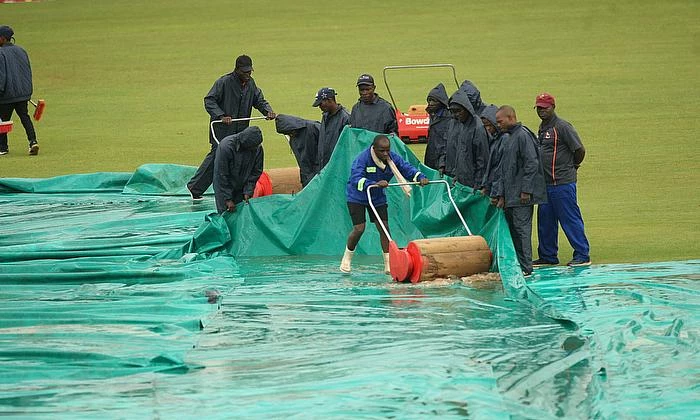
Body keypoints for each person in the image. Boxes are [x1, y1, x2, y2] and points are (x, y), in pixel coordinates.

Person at [187, 55, 275, 201]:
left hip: (240, 132)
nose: (247, 75)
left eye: (249, 72)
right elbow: (209, 100)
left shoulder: (251, 84)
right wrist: (221, 115)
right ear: (237, 69)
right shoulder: (224, 82)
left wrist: (268, 111)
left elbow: (259, 100)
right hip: (222, 130)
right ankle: (195, 188)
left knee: (234, 159)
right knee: (217, 156)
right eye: (244, 72)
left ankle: (232, 192)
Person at [340, 134, 429, 274]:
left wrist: (420, 177)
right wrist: (373, 183)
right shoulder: (362, 159)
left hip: (377, 197)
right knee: (359, 228)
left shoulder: (392, 158)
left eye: (388, 150)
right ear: (374, 148)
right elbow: (356, 179)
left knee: (384, 227)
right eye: (382, 151)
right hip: (357, 196)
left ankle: (388, 264)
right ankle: (347, 258)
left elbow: (406, 168)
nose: (386, 153)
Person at [533, 93, 591, 267]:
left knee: (570, 219)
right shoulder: (543, 127)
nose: (542, 111)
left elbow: (579, 150)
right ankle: (548, 256)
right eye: (539, 108)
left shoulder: (562, 126)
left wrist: (573, 166)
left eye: (545, 107)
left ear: (553, 107)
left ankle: (582, 255)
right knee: (546, 221)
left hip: (562, 182)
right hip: (546, 184)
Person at [490, 105, 546, 276]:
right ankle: (520, 265)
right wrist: (501, 195)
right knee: (514, 231)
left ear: (511, 118)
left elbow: (532, 163)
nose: (498, 125)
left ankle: (526, 267)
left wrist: (526, 190)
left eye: (500, 122)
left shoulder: (522, 135)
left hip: (521, 196)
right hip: (511, 195)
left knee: (522, 231)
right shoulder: (509, 137)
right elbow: (504, 169)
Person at [0, 25, 39, 156]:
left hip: (6, 95)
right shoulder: (21, 51)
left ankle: (3, 147)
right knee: (25, 117)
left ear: (3, 38)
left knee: (3, 120)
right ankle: (33, 141)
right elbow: (27, 72)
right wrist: (27, 92)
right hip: (23, 94)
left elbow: (1, 75)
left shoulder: (0, 53)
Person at [440, 89, 489, 187]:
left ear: (466, 108)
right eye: (453, 112)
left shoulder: (477, 128)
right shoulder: (462, 125)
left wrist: (479, 184)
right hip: (462, 180)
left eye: (458, 111)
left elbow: (482, 160)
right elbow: (460, 155)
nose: (456, 115)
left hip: (474, 183)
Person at [213, 126, 264, 214]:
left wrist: (248, 190)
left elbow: (256, 172)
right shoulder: (226, 147)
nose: (255, 148)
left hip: (242, 188)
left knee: (241, 216)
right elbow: (221, 175)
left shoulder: (257, 148)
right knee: (225, 216)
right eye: (253, 147)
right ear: (246, 144)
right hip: (224, 187)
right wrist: (227, 199)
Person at [275, 114, 320, 187]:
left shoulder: (313, 127)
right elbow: (302, 162)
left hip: (320, 170)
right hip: (307, 174)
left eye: (290, 132)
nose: (290, 135)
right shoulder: (293, 139)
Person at [314, 87, 350, 172]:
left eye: (321, 104)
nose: (320, 107)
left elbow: (347, 146)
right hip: (325, 165)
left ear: (330, 100)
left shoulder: (345, 118)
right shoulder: (325, 116)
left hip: (339, 166)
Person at [423, 83, 451, 170]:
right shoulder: (432, 115)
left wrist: (442, 163)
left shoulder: (449, 118)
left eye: (434, 101)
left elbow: (446, 143)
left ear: (441, 102)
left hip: (443, 162)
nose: (430, 103)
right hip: (431, 158)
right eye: (429, 100)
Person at [478, 104, 502, 196]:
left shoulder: (503, 139)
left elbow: (499, 169)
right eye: (485, 126)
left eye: (489, 125)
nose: (487, 129)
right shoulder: (493, 139)